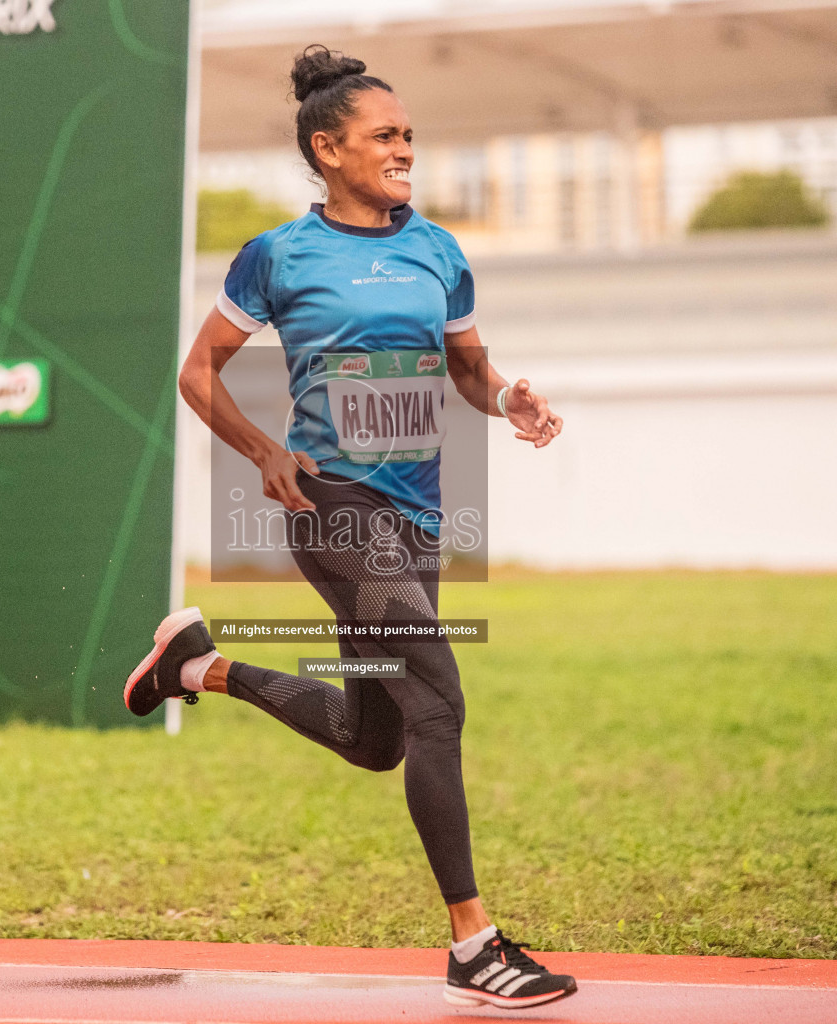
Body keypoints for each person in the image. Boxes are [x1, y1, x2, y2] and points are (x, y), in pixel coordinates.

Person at [124, 45, 570, 1010]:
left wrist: (510, 398)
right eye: (384, 136)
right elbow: (199, 372)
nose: (404, 149)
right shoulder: (278, 254)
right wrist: (262, 452)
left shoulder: (438, 250)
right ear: (329, 150)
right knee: (440, 701)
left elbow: (465, 372)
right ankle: (474, 946)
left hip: (416, 522)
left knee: (378, 737)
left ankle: (198, 664)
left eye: (409, 134)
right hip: (332, 508)